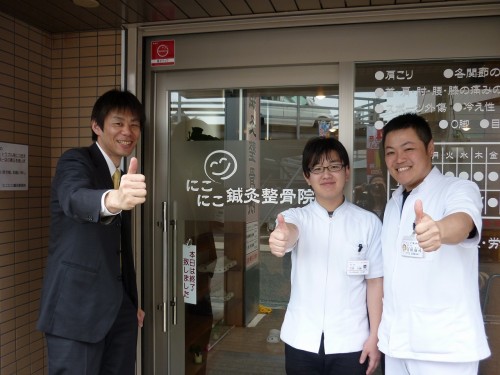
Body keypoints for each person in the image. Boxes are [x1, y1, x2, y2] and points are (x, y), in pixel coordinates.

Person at [37, 89, 147, 375]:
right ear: (96, 126)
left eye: (134, 124)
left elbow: (120, 249)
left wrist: (131, 302)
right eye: (118, 123)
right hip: (76, 311)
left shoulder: (122, 176)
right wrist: (113, 200)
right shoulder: (76, 161)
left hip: (119, 311)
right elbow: (74, 198)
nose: (128, 131)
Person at [377, 113, 490, 375]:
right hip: (397, 343)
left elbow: (463, 221)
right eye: (391, 152)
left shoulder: (458, 188)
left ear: (430, 149)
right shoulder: (394, 203)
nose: (399, 159)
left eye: (408, 149)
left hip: (443, 349)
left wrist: (439, 229)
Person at [269, 136, 383, 375]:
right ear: (307, 177)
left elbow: (375, 282)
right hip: (302, 339)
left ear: (347, 171)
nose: (326, 175)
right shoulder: (297, 216)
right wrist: (282, 237)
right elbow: (289, 231)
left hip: (353, 341)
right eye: (317, 169)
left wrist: (375, 336)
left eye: (334, 166)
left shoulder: (368, 223)